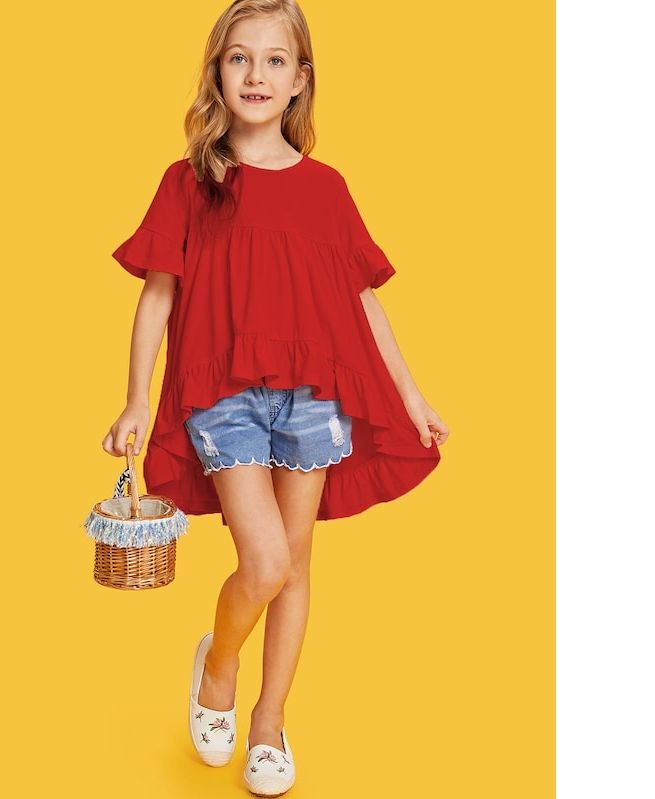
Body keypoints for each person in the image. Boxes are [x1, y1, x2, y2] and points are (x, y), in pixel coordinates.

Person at [101, 0, 449, 794]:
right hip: (221, 391)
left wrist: (412, 394)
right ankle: (217, 665)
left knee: (292, 566)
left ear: (299, 80)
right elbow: (157, 294)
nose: (255, 74)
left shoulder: (327, 188)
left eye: (273, 60)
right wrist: (134, 399)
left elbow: (361, 299)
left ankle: (268, 722)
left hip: (314, 396)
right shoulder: (191, 181)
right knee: (261, 562)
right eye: (238, 58)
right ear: (217, 73)